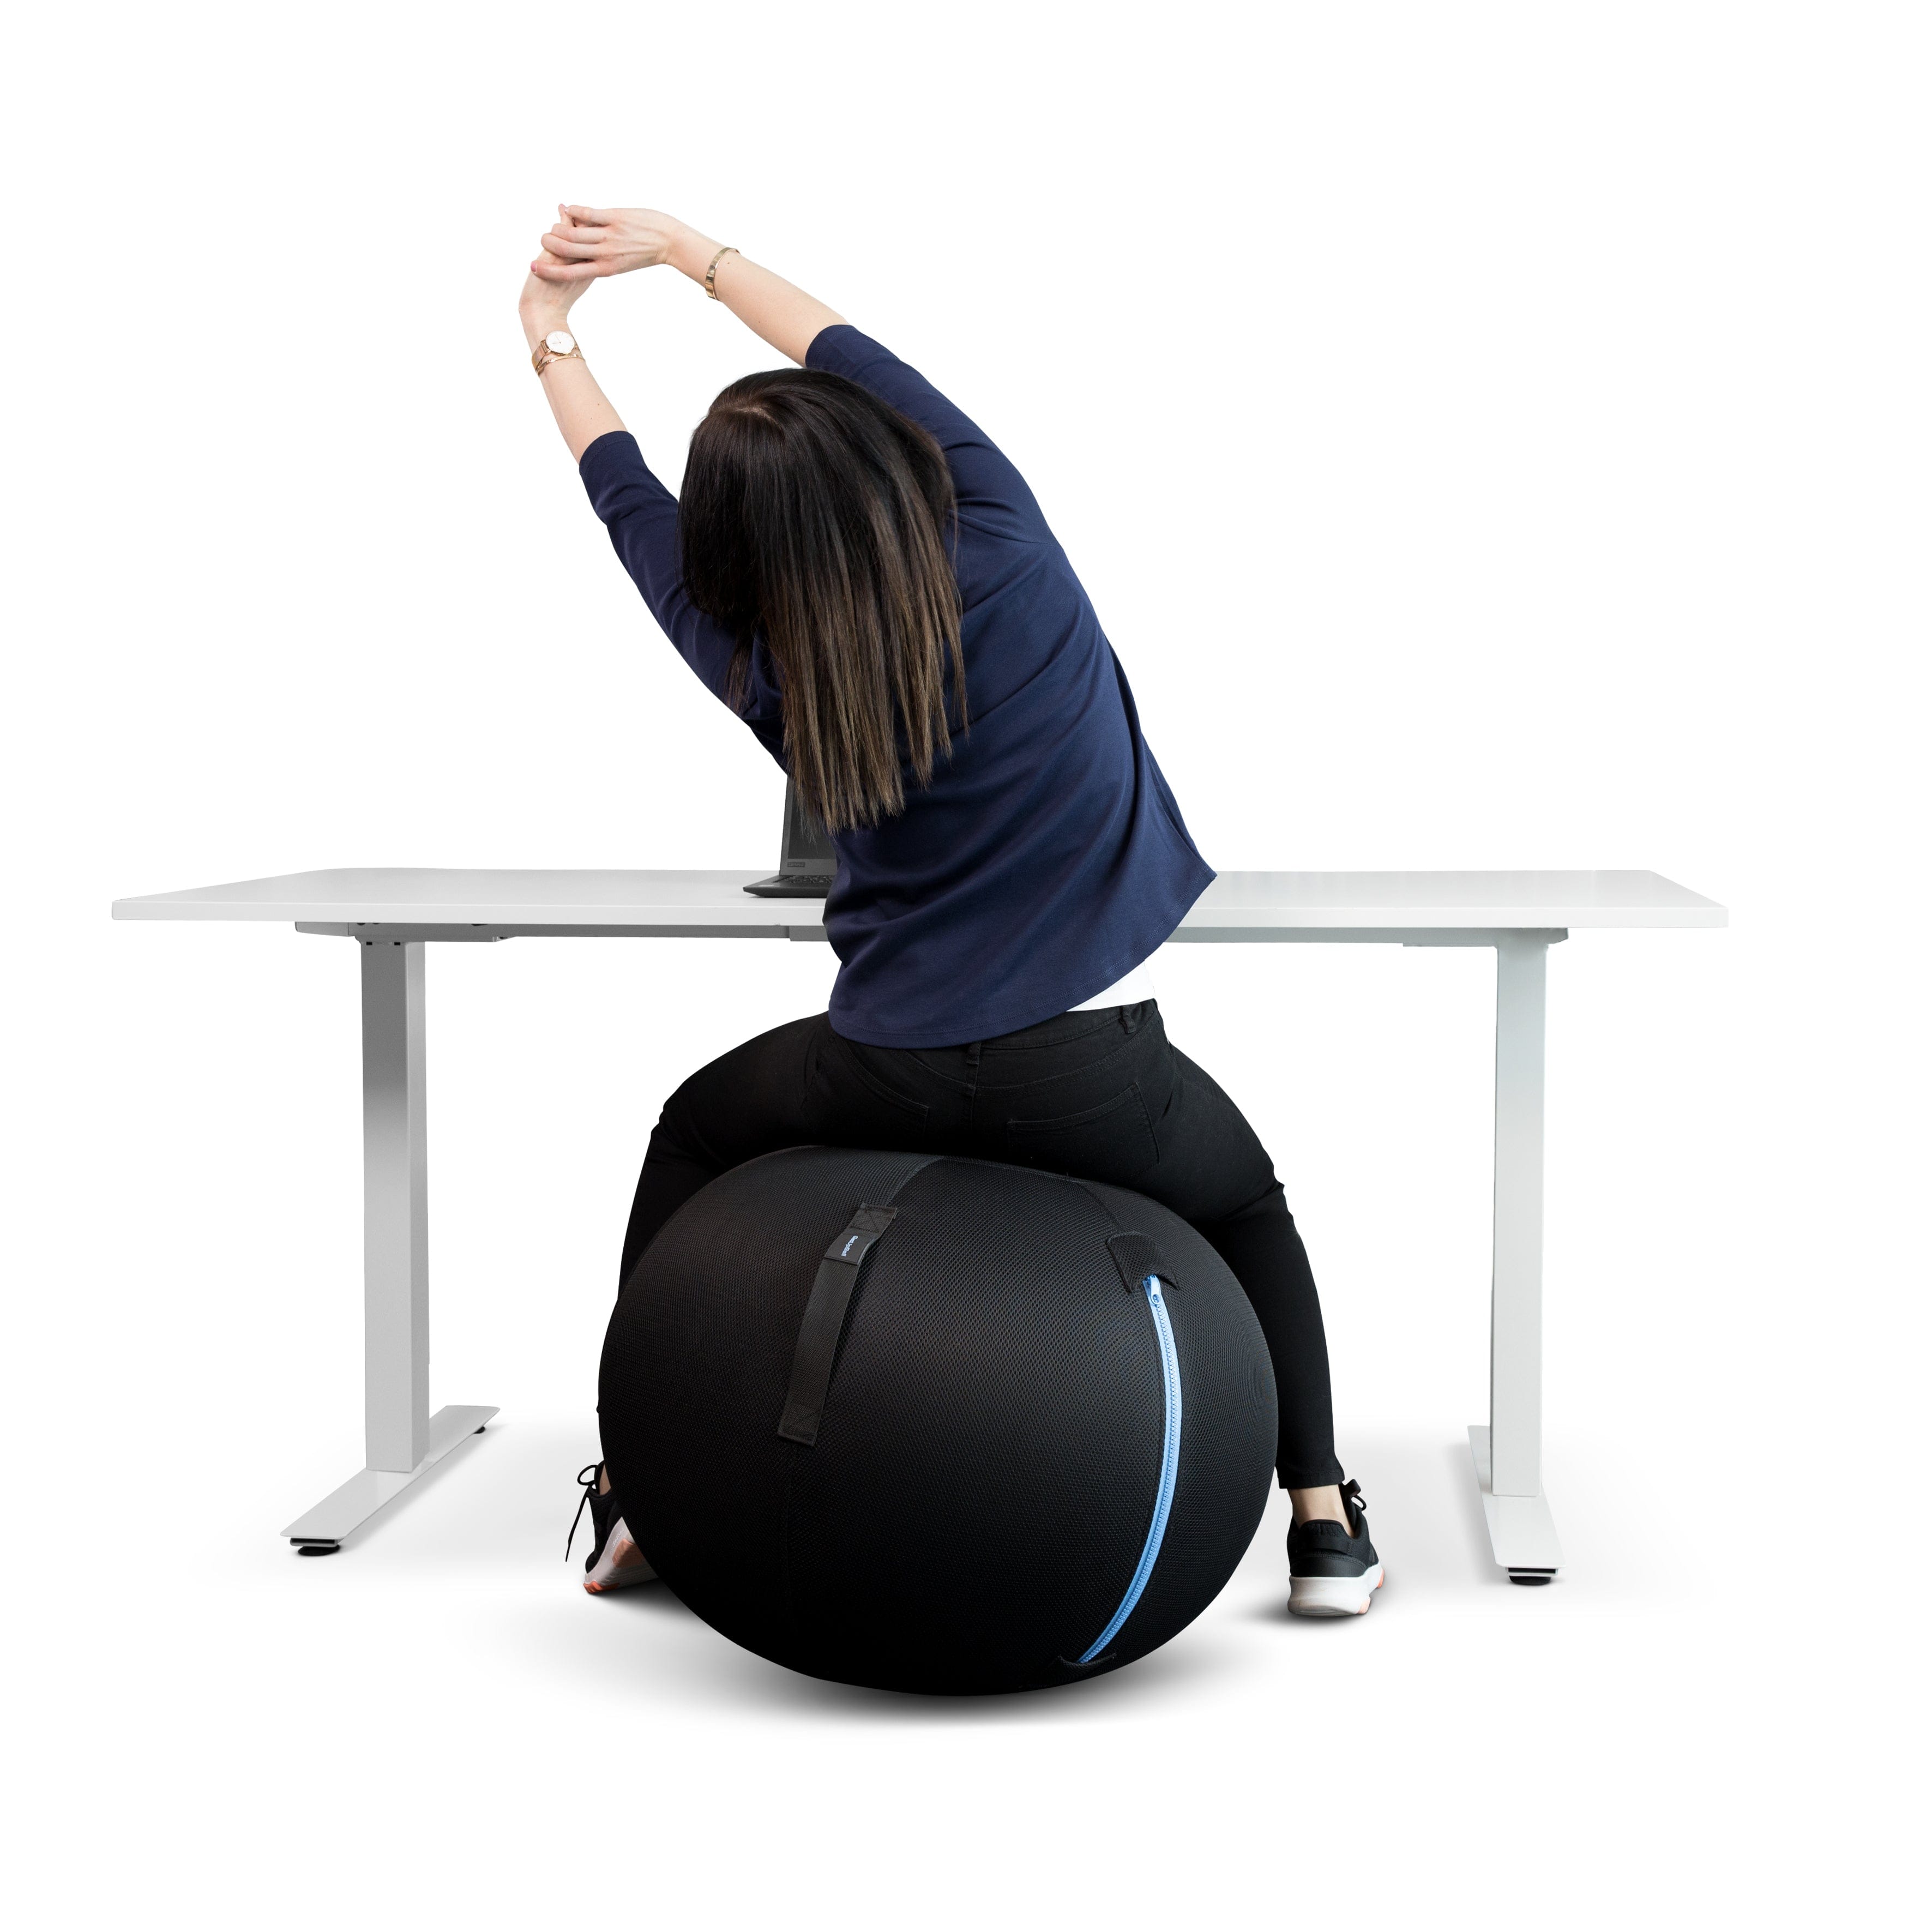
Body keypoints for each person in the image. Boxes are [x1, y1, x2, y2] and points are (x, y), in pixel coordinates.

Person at [525, 205, 1383, 1619]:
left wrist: (547, 339)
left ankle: (634, 1495)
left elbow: (629, 505)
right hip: (1084, 1077)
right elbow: (852, 351)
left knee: (695, 1126)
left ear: (742, 546)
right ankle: (1323, 1521)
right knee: (1244, 1203)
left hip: (881, 1077)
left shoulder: (759, 656)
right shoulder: (1003, 532)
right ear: (885, 459)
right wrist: (688, 257)